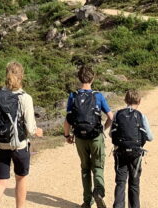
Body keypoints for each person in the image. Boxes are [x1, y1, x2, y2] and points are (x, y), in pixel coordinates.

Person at [0, 61, 43, 208]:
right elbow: (30, 128)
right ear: (22, 76)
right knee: (20, 179)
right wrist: (38, 131)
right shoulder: (25, 97)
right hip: (19, 146)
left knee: (0, 182)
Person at [64, 65, 113, 208]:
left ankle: (87, 201)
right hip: (96, 136)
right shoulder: (97, 96)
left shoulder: (73, 96)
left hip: (79, 137)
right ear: (93, 78)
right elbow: (111, 116)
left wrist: (67, 135)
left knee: (85, 168)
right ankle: (98, 192)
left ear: (79, 78)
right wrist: (103, 128)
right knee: (98, 166)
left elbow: (67, 120)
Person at [109, 90, 153, 208]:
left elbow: (111, 134)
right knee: (134, 184)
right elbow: (150, 137)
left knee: (120, 183)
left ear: (125, 100)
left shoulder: (117, 114)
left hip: (120, 153)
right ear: (139, 101)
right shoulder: (141, 116)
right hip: (135, 154)